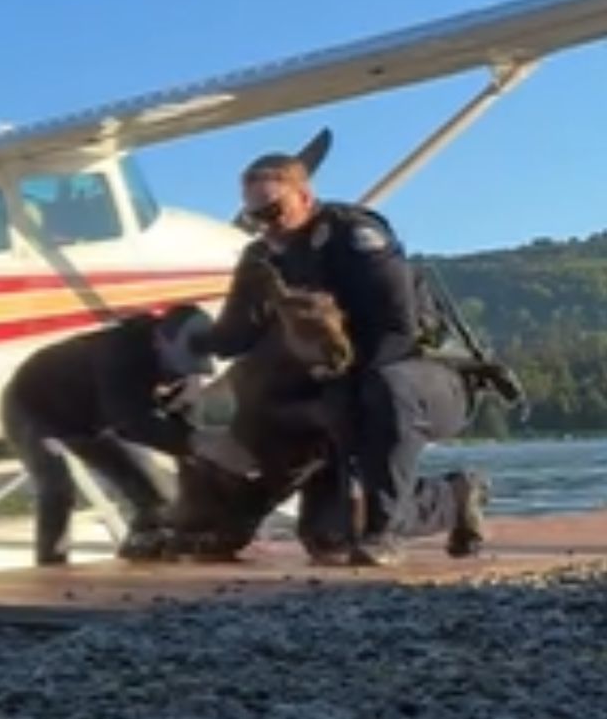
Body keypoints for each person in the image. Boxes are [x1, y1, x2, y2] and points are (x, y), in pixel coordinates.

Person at [196, 151, 489, 566]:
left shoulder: (355, 237)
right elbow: (234, 336)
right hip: (337, 386)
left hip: (423, 377)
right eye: (254, 217)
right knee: (329, 538)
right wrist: (171, 343)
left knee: (387, 388)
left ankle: (383, 532)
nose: (266, 226)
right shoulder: (261, 260)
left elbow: (398, 330)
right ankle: (451, 496)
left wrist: (343, 387)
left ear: (305, 197)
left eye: (275, 211)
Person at [0, 304, 215, 566]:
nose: (177, 375)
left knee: (154, 495)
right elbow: (130, 423)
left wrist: (201, 454)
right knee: (56, 487)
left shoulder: (183, 371)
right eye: (176, 370)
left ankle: (143, 546)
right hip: (33, 407)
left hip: (89, 417)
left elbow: (183, 428)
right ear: (159, 341)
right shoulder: (118, 354)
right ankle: (51, 566)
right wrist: (195, 446)